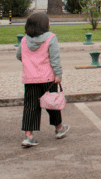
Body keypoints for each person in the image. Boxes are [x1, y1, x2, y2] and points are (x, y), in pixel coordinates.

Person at [16, 12, 69, 147]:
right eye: (48, 21)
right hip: (48, 78)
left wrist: (29, 62)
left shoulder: (24, 40)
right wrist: (58, 74)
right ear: (43, 24)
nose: (49, 22)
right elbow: (54, 58)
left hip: (30, 78)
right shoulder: (51, 38)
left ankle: (28, 136)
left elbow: (19, 56)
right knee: (52, 104)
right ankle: (59, 129)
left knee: (30, 107)